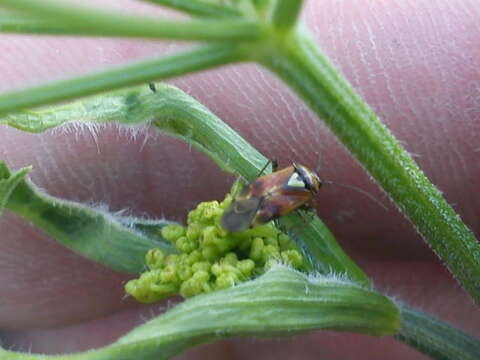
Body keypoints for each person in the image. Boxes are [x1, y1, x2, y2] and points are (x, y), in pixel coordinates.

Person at [0, 0, 478, 358]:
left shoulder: (280, 189)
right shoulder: (279, 196)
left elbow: (265, 200)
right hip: (249, 215)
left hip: (253, 211)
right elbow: (260, 207)